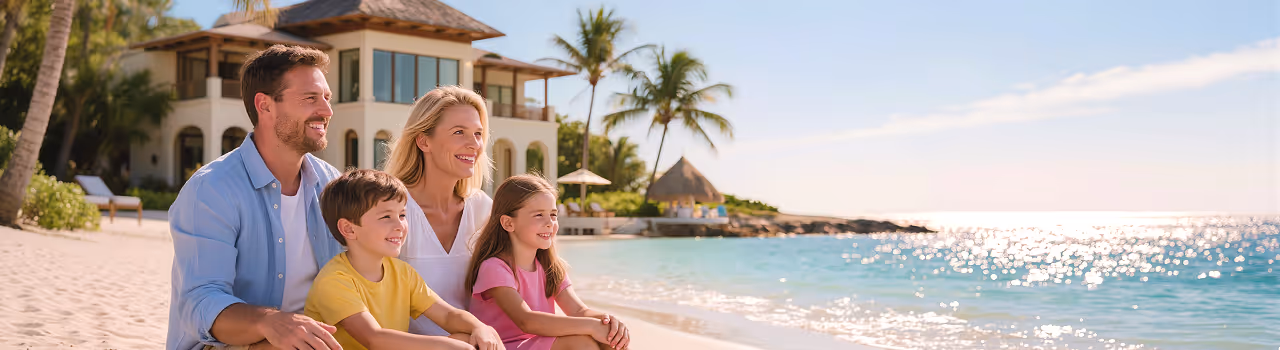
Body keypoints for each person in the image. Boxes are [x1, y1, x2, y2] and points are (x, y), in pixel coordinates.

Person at [167, 45, 344, 350]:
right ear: (265, 105)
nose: (327, 111)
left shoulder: (331, 184)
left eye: (327, 98)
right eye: (310, 98)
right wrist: (271, 322)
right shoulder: (212, 189)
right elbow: (200, 303)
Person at [306, 169, 502, 350]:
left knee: (469, 339)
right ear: (349, 229)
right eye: (386, 217)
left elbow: (448, 315)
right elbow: (374, 339)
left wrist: (480, 328)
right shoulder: (334, 280)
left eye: (402, 215)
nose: (400, 225)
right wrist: (449, 346)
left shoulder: (402, 272)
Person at [465, 175, 632, 350]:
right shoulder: (494, 267)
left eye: (553, 215)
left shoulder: (550, 267)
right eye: (539, 215)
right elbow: (526, 321)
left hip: (539, 344)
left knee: (611, 339)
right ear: (508, 223)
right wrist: (591, 326)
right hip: (503, 346)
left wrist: (609, 322)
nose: (550, 223)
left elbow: (578, 311)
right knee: (580, 342)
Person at [383, 86, 494, 335]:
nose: (474, 144)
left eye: (478, 134)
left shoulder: (482, 209)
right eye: (459, 132)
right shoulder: (390, 210)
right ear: (424, 141)